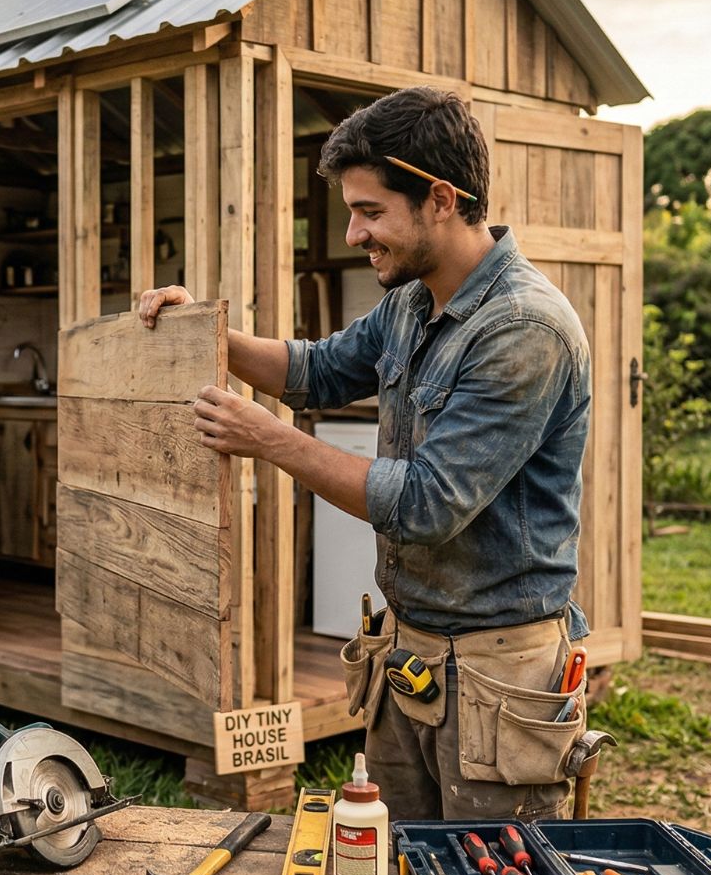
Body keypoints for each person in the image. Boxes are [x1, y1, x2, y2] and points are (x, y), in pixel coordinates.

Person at [137, 85, 591, 821]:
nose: (353, 233)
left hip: (497, 675)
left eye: (370, 211)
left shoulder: (524, 330)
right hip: (409, 653)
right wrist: (207, 332)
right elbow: (318, 370)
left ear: (441, 199)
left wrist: (267, 440)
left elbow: (425, 505)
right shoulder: (414, 302)